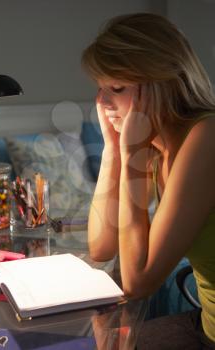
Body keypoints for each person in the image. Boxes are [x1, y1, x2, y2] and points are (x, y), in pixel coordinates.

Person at [81, 13, 215, 348]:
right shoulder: (160, 143)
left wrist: (132, 156)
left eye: (117, 88)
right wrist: (113, 148)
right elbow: (101, 247)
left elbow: (137, 283)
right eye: (100, 88)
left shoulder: (205, 136)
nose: (103, 102)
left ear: (159, 85)